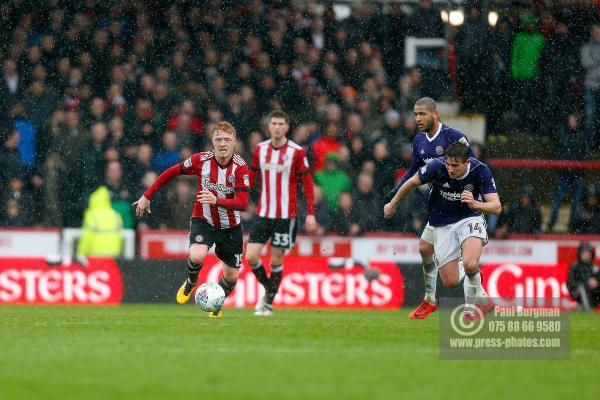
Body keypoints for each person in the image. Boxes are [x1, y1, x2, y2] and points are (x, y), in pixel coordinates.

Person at [133, 122, 249, 318]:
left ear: (234, 142)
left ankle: (216, 306)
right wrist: (147, 196)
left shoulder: (240, 167)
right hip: (203, 220)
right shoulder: (201, 160)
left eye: (227, 140)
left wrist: (216, 200)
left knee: (230, 278)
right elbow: (171, 173)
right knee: (196, 256)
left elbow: (243, 203)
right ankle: (191, 281)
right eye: (218, 139)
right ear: (212, 141)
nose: (222, 143)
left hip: (230, 227)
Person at [384, 142, 501, 321]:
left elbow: (496, 206)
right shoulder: (437, 167)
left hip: (469, 218)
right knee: (450, 281)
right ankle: (473, 275)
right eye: (448, 164)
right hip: (442, 222)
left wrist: (475, 204)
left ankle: (472, 310)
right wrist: (393, 204)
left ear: (467, 162)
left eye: (455, 165)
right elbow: (412, 182)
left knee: (470, 263)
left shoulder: (480, 170)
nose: (450, 169)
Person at [385, 97, 476, 320]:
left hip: (460, 207)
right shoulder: (419, 141)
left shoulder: (453, 137)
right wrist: (395, 192)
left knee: (452, 279)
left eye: (422, 114)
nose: (417, 118)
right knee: (425, 247)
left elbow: (473, 166)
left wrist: (471, 193)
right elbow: (413, 172)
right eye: (415, 114)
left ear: (434, 114)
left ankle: (468, 268)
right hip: (439, 205)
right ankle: (430, 300)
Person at [246, 110, 316, 316]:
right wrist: (239, 194)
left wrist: (310, 213)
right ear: (269, 127)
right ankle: (269, 291)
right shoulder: (260, 149)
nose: (277, 127)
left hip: (286, 216)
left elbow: (307, 183)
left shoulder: (296, 152)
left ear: (286, 127)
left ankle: (267, 302)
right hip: (264, 213)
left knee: (276, 260)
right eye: (273, 123)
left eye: (280, 124)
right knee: (251, 256)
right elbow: (252, 175)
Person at [76, 186, 123, 258]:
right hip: (113, 256)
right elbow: (119, 238)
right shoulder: (116, 215)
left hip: (95, 255)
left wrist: (81, 254)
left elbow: (87, 237)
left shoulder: (91, 215)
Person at [567, 242, 600, 310]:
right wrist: (586, 283)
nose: (586, 255)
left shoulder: (595, 268)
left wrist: (596, 283)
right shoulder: (574, 267)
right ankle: (587, 310)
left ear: (591, 254)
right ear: (580, 254)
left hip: (593, 294)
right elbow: (570, 284)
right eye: (584, 253)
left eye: (588, 253)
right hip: (578, 294)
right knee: (582, 289)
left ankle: (586, 307)